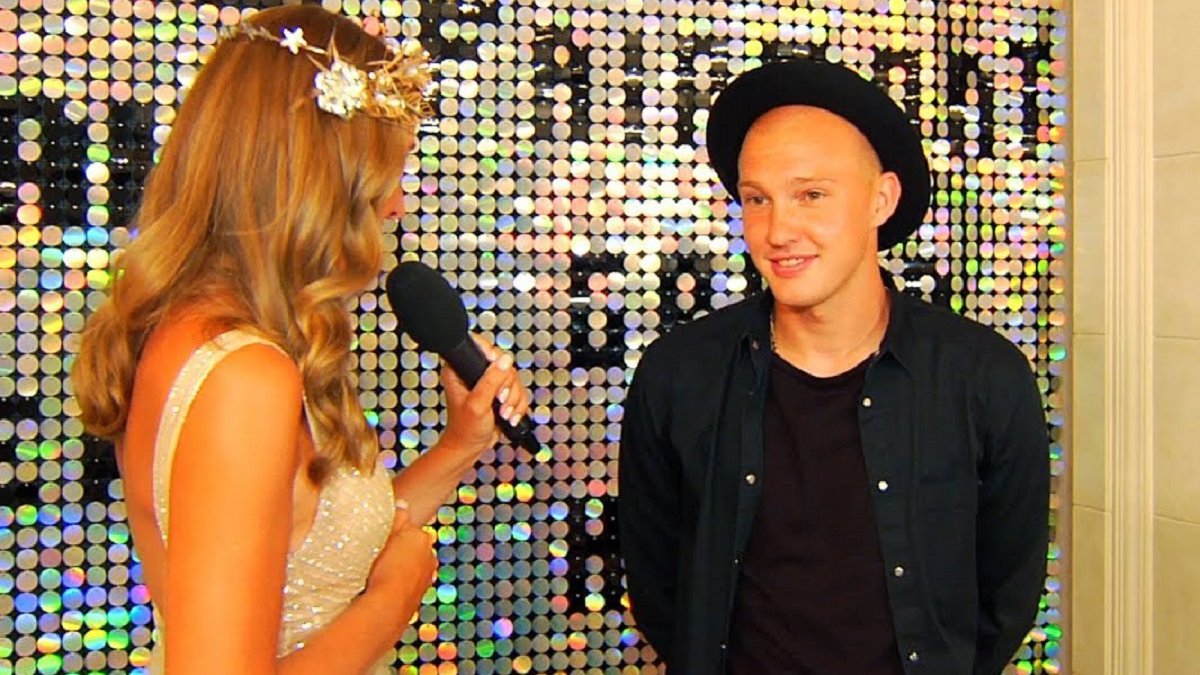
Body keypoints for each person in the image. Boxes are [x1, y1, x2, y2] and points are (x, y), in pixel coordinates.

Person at [71, 6, 530, 673]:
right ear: (320, 177)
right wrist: (397, 594)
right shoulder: (242, 377)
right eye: (387, 175)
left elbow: (317, 558)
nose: (396, 205)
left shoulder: (209, 335)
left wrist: (462, 443)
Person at [618, 59, 1050, 675]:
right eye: (757, 199)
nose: (778, 230)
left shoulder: (984, 377)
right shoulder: (678, 375)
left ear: (882, 199)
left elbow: (1006, 595)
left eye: (811, 195)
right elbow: (659, 585)